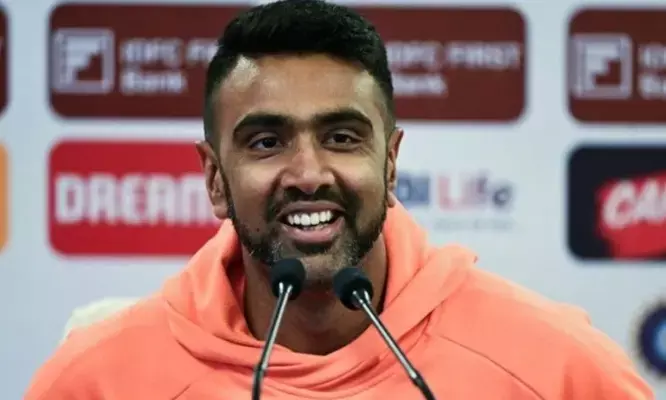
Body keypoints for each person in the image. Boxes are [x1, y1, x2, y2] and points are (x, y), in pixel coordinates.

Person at [25, 0, 654, 399]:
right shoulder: (100, 378)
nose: (308, 174)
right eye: (266, 141)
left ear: (390, 163)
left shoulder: (552, 365)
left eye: (342, 137)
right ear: (215, 179)